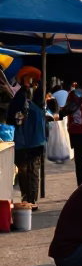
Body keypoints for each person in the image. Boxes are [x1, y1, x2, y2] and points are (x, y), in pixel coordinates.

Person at [9, 67, 46, 208]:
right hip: (31, 139)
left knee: (28, 170)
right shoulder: (27, 95)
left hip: (28, 139)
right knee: (30, 170)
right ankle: (29, 199)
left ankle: (30, 199)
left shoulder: (28, 95)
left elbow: (15, 116)